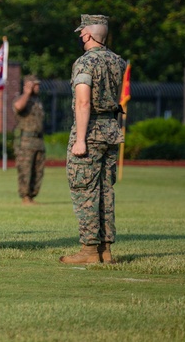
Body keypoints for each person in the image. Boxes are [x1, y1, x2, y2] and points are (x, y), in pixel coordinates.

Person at [61, 14, 127, 265]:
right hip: (111, 129)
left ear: (88, 34)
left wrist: (80, 139)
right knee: (105, 191)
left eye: (81, 32)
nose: (79, 36)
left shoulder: (85, 62)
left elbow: (83, 100)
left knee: (85, 190)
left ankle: (89, 251)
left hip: (90, 130)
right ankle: (105, 250)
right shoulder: (118, 62)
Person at [13, 75, 46, 206]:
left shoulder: (38, 101)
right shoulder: (22, 99)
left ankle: (32, 195)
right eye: (34, 85)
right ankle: (25, 196)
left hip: (38, 140)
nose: (37, 87)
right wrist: (27, 93)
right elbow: (18, 106)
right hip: (26, 141)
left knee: (38, 171)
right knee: (25, 170)